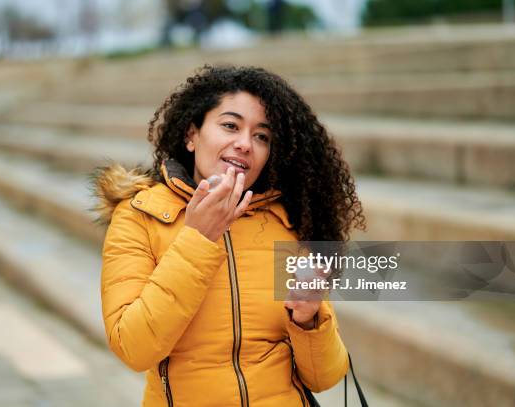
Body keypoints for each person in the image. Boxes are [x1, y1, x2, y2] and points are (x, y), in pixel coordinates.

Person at [93, 64, 365, 406]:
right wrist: (198, 239)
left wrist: (309, 319)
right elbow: (133, 348)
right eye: (230, 126)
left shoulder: (286, 223)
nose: (245, 144)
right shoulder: (138, 216)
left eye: (261, 136)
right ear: (192, 136)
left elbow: (325, 377)